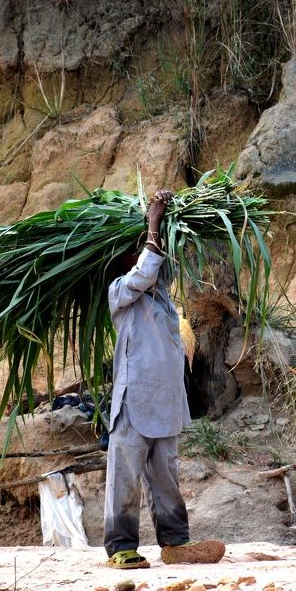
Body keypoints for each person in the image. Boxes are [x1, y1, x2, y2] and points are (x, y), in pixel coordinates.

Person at [103, 189, 225, 569]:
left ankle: (175, 542)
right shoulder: (122, 293)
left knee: (166, 477)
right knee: (124, 477)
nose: (153, 258)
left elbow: (162, 264)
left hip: (167, 404)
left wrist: (170, 226)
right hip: (134, 402)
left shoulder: (166, 304)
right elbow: (146, 270)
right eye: (139, 250)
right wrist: (153, 220)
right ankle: (121, 546)